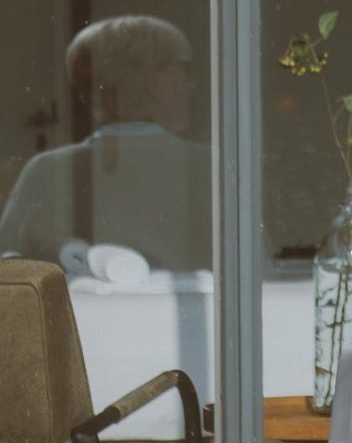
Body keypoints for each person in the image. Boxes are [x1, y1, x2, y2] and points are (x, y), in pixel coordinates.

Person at [0, 14, 210, 270]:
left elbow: (10, 274)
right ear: (153, 82)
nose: (191, 83)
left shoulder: (45, 170)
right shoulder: (210, 167)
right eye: (184, 69)